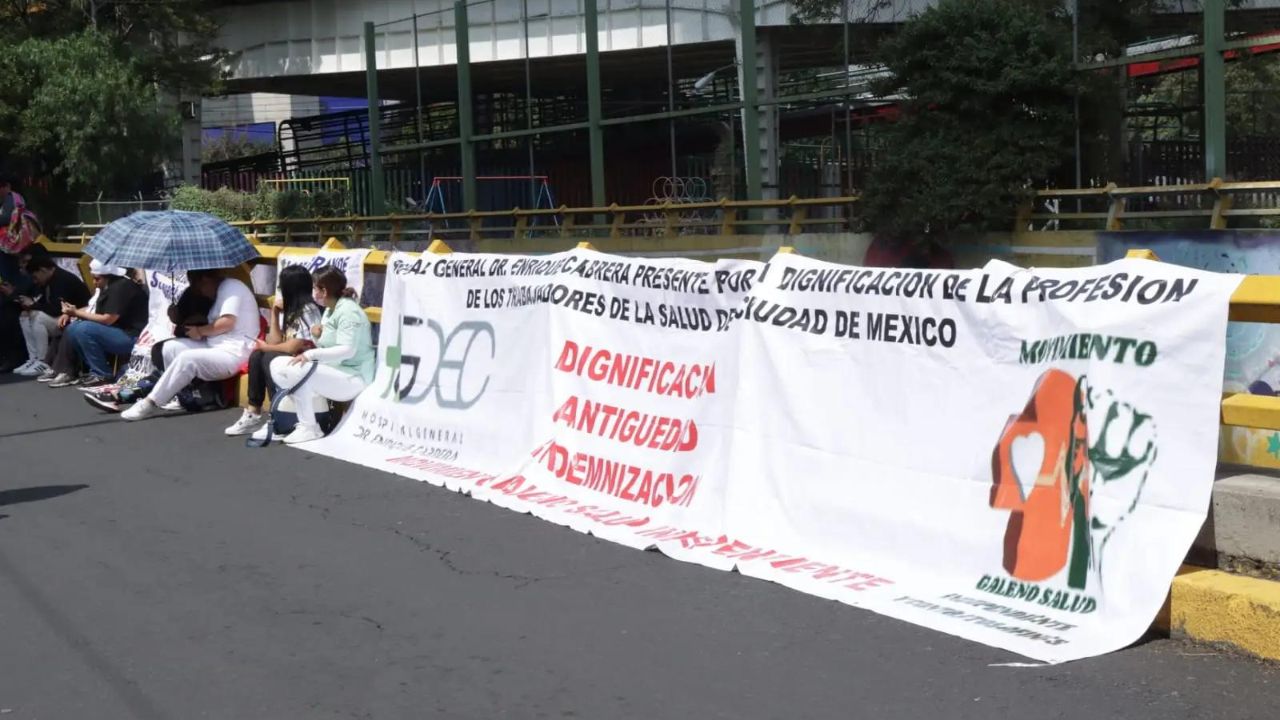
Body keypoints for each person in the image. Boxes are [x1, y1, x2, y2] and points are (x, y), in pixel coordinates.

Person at [121, 268, 259, 421]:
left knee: (187, 358)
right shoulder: (219, 291)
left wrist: (200, 331)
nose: (199, 292)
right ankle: (179, 396)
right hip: (214, 346)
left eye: (197, 286)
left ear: (206, 279)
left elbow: (227, 322)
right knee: (169, 348)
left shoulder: (232, 287)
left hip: (234, 353)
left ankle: (149, 403)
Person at [260, 266, 374, 444]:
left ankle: (309, 427)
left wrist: (311, 353)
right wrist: (316, 335)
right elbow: (328, 345)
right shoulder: (330, 310)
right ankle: (295, 422)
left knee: (301, 370)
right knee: (279, 364)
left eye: (315, 288)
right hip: (333, 370)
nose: (313, 292)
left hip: (353, 377)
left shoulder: (349, 312)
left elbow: (347, 350)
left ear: (324, 290)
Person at [224, 265, 323, 436]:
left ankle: (276, 415)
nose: (280, 290)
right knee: (258, 355)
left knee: (267, 356)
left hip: (308, 361)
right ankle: (253, 414)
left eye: (281, 286)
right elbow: (275, 340)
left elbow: (296, 345)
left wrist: (267, 347)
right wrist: (275, 313)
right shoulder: (292, 309)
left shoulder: (308, 310)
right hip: (294, 359)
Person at [49, 260, 148, 388]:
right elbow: (94, 310)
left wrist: (76, 313)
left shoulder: (121, 287)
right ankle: (90, 369)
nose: (94, 283)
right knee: (73, 328)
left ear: (108, 277)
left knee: (84, 329)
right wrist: (72, 312)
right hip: (119, 331)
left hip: (133, 336)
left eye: (97, 279)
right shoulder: (107, 287)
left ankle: (102, 374)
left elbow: (108, 319)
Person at [14, 254, 90, 376]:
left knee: (37, 316)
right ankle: (33, 358)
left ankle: (43, 360)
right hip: (62, 317)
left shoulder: (63, 280)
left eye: (35, 277)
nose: (35, 280)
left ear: (43, 270)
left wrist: (33, 305)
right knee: (25, 315)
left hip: (76, 318)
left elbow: (56, 309)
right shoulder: (47, 281)